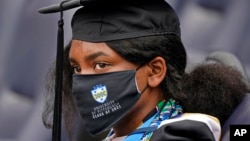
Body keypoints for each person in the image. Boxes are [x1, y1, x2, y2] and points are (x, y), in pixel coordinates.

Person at [39, 0, 246, 141]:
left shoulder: (179, 133)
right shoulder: (123, 132)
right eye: (76, 68)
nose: (82, 80)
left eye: (101, 65)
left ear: (155, 71)